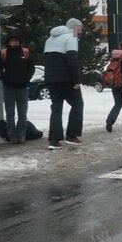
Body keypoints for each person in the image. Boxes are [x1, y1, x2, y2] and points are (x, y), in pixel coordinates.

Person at [43, 18, 85, 149]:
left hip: (50, 79)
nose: (80, 32)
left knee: (56, 108)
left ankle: (54, 141)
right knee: (78, 104)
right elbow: (72, 60)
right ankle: (72, 136)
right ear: (74, 28)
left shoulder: (49, 39)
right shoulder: (70, 38)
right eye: (80, 29)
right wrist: (76, 81)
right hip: (66, 79)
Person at [0, 32, 35, 144]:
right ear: (8, 42)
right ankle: (12, 136)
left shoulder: (25, 52)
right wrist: (5, 79)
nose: (14, 43)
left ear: (19, 42)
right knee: (10, 113)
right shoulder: (3, 53)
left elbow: (31, 68)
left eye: (16, 41)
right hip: (8, 88)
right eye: (12, 41)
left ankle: (21, 135)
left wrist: (26, 79)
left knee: (22, 113)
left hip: (22, 87)